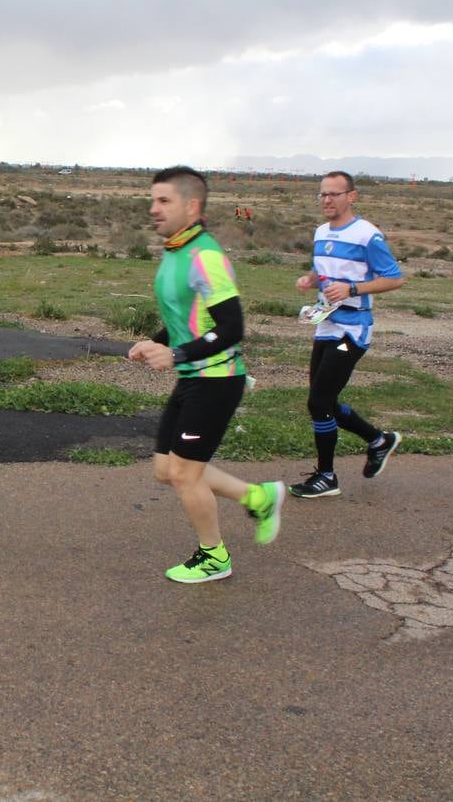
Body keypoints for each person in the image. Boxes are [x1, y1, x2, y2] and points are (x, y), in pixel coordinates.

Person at [128, 165, 285, 584]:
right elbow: (186, 318)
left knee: (184, 474)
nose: (154, 209)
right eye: (153, 200)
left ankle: (215, 556)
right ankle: (257, 496)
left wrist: (175, 353)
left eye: (164, 201)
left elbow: (232, 328)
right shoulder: (177, 251)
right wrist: (155, 342)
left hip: (217, 380)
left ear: (192, 206)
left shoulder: (206, 257)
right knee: (166, 470)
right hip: (195, 376)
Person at [289, 171, 406, 498]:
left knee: (319, 401)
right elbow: (325, 272)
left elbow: (395, 278)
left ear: (351, 197)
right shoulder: (321, 231)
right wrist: (311, 280)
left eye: (334, 194)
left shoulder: (367, 235)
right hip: (326, 324)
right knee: (321, 402)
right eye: (322, 194)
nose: (327, 200)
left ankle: (327, 476)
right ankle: (379, 440)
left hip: (353, 327)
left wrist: (353, 288)